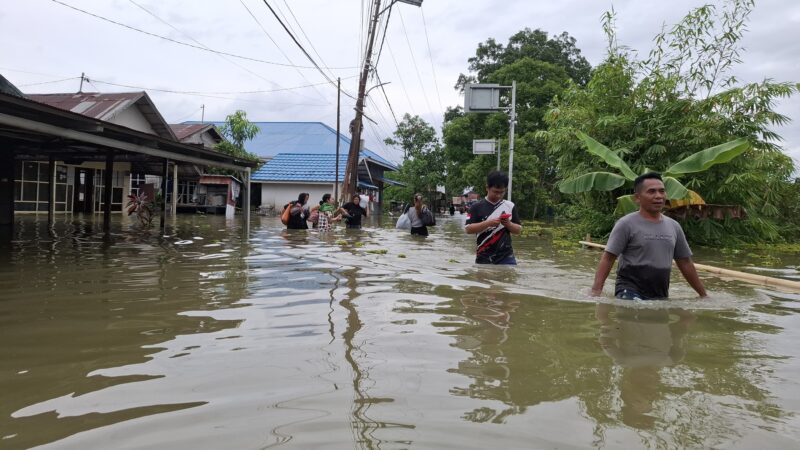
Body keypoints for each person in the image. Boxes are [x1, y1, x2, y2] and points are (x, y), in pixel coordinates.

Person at [590, 172, 707, 300]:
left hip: (660, 292)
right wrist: (596, 291)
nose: (658, 196)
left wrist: (703, 295)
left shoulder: (674, 226)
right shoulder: (626, 224)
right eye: (651, 192)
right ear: (637, 198)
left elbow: (685, 262)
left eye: (662, 191)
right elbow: (608, 258)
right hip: (629, 290)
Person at [464, 171, 522, 264]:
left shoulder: (510, 206)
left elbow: (518, 230)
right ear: (487, 188)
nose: (498, 195)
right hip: (483, 256)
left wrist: (508, 224)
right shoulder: (476, 207)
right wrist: (488, 223)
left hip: (506, 257)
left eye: (502, 192)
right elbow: (468, 229)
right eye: (495, 192)